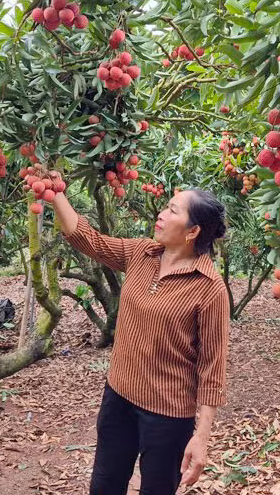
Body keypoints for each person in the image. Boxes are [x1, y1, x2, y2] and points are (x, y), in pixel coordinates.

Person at [50, 187, 230, 495]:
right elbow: (88, 239)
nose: (161, 214)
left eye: (173, 211)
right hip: (118, 396)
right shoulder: (141, 253)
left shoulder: (210, 289)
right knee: (105, 485)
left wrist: (201, 438)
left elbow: (212, 368)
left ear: (193, 230)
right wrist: (54, 193)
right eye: (165, 207)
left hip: (168, 416)